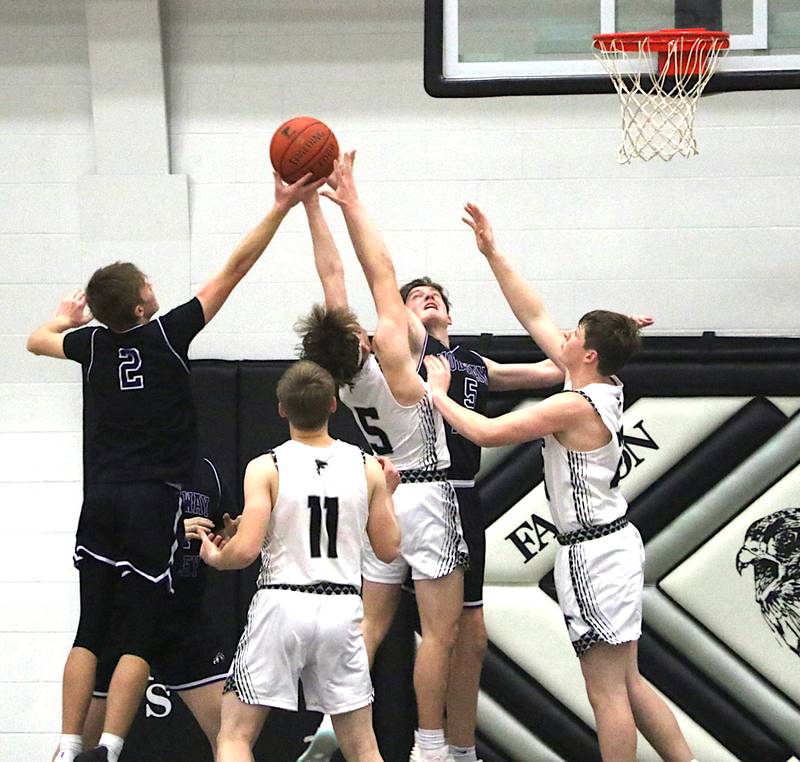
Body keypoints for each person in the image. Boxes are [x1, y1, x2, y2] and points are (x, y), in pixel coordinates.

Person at [26, 170, 324, 762]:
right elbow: (233, 270)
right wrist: (282, 206)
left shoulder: (91, 346)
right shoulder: (166, 336)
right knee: (136, 624)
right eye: (148, 282)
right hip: (148, 499)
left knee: (89, 629)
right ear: (142, 303)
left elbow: (37, 339)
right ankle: (108, 746)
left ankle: (66, 747)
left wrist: (67, 317)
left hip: (101, 496)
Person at [421, 202, 695, 762]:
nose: (561, 333)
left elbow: (488, 431)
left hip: (592, 553)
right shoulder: (604, 380)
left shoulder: (571, 404)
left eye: (574, 334)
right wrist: (492, 252)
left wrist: (434, 392)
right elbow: (535, 313)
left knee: (607, 694)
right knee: (631, 683)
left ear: (587, 353)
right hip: (612, 542)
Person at [297, 153, 469, 762]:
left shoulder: (339, 379)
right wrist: (349, 199)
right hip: (425, 491)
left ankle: (326, 727)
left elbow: (331, 279)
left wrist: (308, 203)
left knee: (370, 627)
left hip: (379, 496)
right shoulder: (393, 358)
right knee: (439, 633)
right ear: (364, 341)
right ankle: (428, 747)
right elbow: (381, 271)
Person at [198, 360, 401, 762]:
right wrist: (388, 495)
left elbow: (245, 551)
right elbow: (389, 549)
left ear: (281, 408)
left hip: (283, 602)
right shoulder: (367, 467)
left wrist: (215, 555)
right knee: (363, 746)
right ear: (332, 405)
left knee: (234, 736)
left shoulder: (266, 466)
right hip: (342, 607)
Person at [80, 457, 240, 757]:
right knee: (85, 742)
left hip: (183, 618)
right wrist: (172, 530)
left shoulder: (206, 470)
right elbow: (101, 544)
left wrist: (228, 538)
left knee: (230, 734)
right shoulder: (123, 472)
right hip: (128, 616)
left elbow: (224, 531)